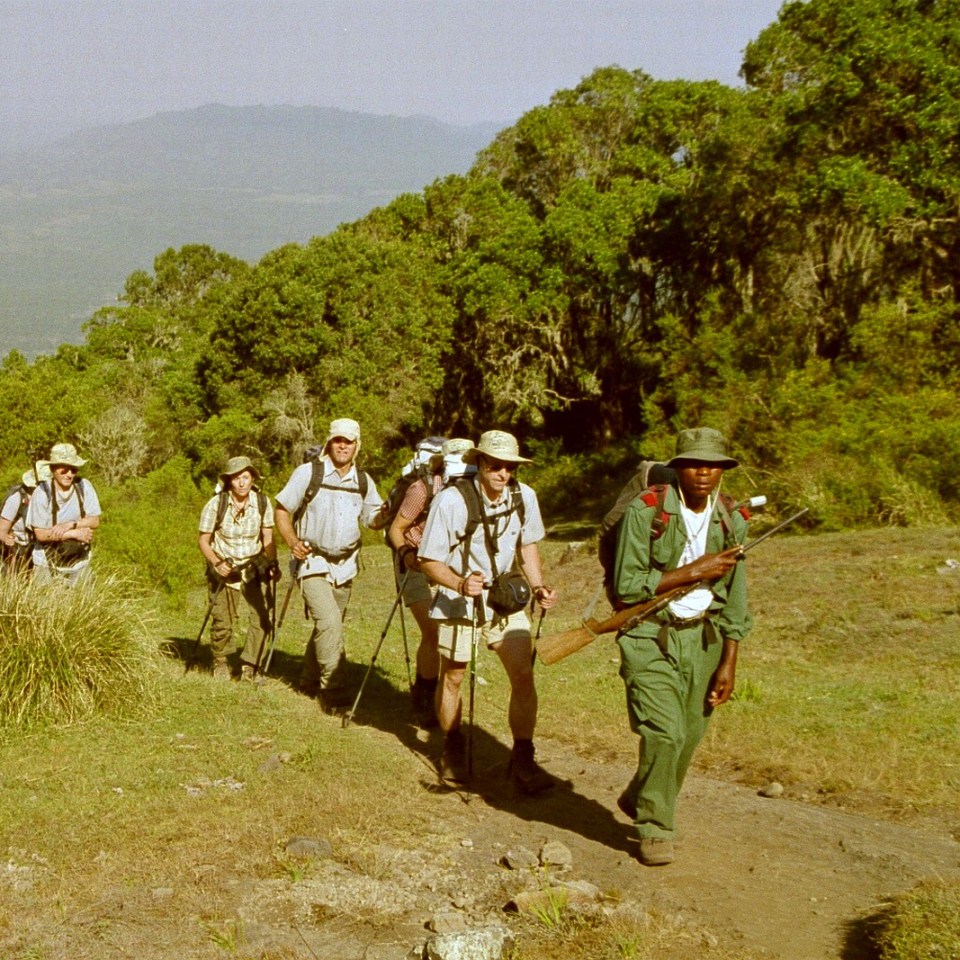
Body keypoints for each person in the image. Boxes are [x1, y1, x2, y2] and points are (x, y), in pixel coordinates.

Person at [613, 427, 751, 866]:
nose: (703, 473)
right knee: (664, 732)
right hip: (649, 634)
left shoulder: (731, 518)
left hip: (704, 639)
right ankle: (655, 827)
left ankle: (641, 793)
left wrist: (729, 661)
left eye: (713, 465)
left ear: (723, 470)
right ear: (677, 469)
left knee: (688, 737)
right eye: (693, 464)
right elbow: (626, 586)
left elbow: (736, 596)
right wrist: (695, 570)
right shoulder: (647, 511)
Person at [418, 429, 558, 794]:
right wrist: (459, 583)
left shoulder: (524, 496)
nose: (503, 473)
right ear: (480, 462)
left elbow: (527, 546)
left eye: (509, 467)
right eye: (495, 465)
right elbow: (428, 559)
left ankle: (523, 759)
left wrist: (538, 585)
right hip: (458, 596)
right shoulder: (451, 500)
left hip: (504, 596)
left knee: (523, 675)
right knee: (453, 676)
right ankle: (452, 749)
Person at [274, 418, 383, 713]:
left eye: (349, 441)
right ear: (329, 442)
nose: (343, 446)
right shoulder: (308, 473)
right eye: (338, 440)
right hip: (312, 560)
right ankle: (333, 692)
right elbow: (282, 510)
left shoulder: (363, 481)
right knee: (330, 622)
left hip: (346, 564)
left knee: (328, 625)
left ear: (357, 446)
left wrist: (388, 513)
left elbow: (373, 520)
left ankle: (308, 680)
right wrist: (292, 541)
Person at [388, 437, 474, 728]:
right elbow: (396, 528)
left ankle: (439, 696)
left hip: (445, 567)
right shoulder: (422, 488)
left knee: (446, 634)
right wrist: (405, 552)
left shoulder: (471, 489)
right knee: (432, 630)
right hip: (414, 564)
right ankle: (424, 698)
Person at [198, 456, 280, 681]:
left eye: (245, 477)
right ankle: (221, 661)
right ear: (228, 481)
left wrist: (273, 563)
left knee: (261, 617)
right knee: (222, 620)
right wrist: (216, 563)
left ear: (252, 478)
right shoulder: (216, 504)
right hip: (225, 566)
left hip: (254, 566)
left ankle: (251, 665)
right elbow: (203, 541)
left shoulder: (262, 502)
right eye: (236, 478)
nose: (242, 483)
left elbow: (268, 537)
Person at [27, 443, 101, 585]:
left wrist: (71, 524)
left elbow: (95, 520)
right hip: (46, 564)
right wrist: (74, 534)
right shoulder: (41, 493)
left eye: (73, 470)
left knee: (82, 598)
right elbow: (41, 534)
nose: (69, 474)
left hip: (80, 562)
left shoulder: (84, 486)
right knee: (45, 599)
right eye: (64, 470)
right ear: (53, 469)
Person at [0, 464, 51, 574]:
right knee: (15, 576)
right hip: (18, 547)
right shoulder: (16, 499)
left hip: (38, 546)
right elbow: (2, 530)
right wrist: (9, 541)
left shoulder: (48, 499)